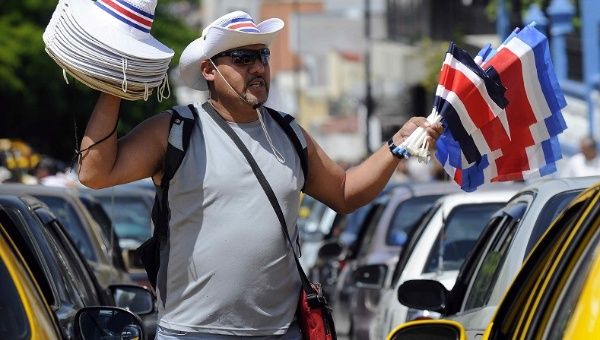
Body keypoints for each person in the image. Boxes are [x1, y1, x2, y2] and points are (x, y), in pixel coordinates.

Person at [77, 10, 442, 339]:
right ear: (209, 70)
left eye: (262, 56)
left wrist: (396, 146)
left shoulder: (289, 133)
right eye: (243, 57)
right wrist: (115, 86)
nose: (258, 67)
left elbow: (345, 193)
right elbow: (94, 173)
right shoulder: (176, 131)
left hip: (281, 332)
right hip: (191, 332)